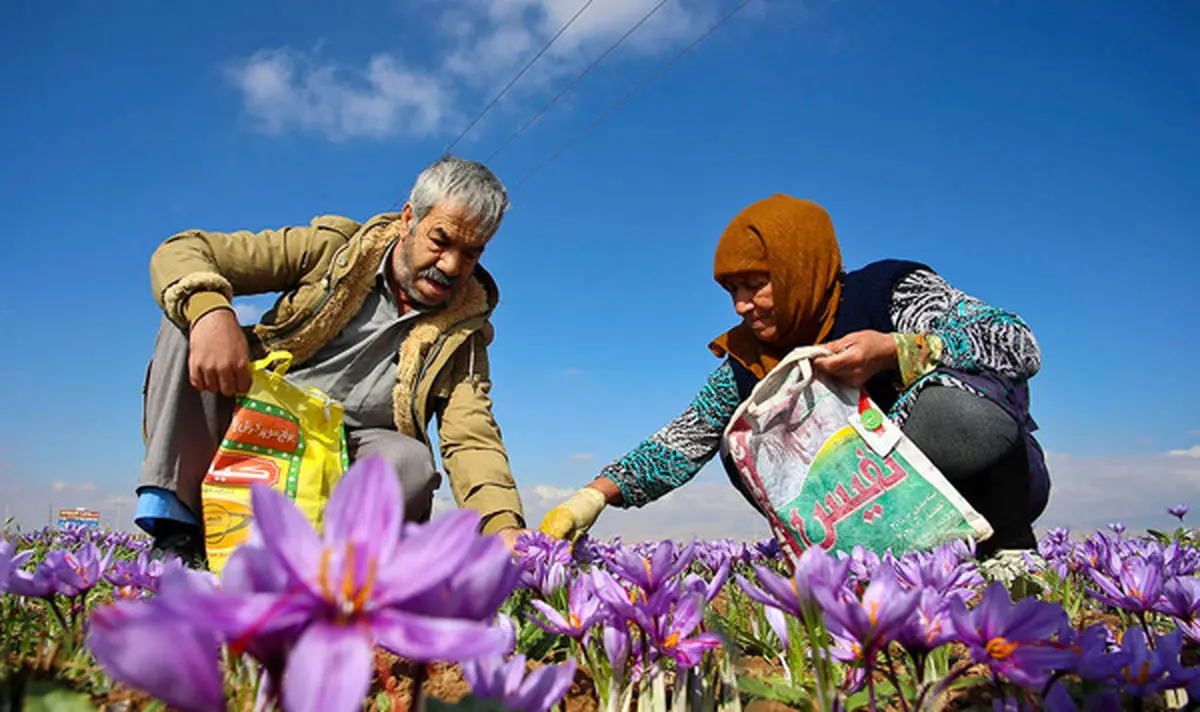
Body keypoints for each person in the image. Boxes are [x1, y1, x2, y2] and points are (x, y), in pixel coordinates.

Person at [539, 195, 1049, 560]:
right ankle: (853, 566)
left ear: (796, 267)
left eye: (756, 285)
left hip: (983, 477)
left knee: (951, 409)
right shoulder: (754, 356)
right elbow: (687, 436)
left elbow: (1014, 341)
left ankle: (1007, 547)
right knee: (744, 435)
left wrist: (896, 351)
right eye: (731, 290)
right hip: (871, 524)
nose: (742, 306)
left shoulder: (888, 294)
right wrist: (593, 496)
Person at [138, 156, 527, 564]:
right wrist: (209, 310)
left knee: (409, 461)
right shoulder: (332, 252)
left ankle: (321, 570)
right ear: (409, 218)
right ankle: (176, 536)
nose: (451, 265)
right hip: (252, 417)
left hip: (345, 455)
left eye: (471, 254)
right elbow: (185, 251)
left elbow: (471, 436)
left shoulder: (464, 331)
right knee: (185, 316)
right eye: (440, 241)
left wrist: (502, 526)